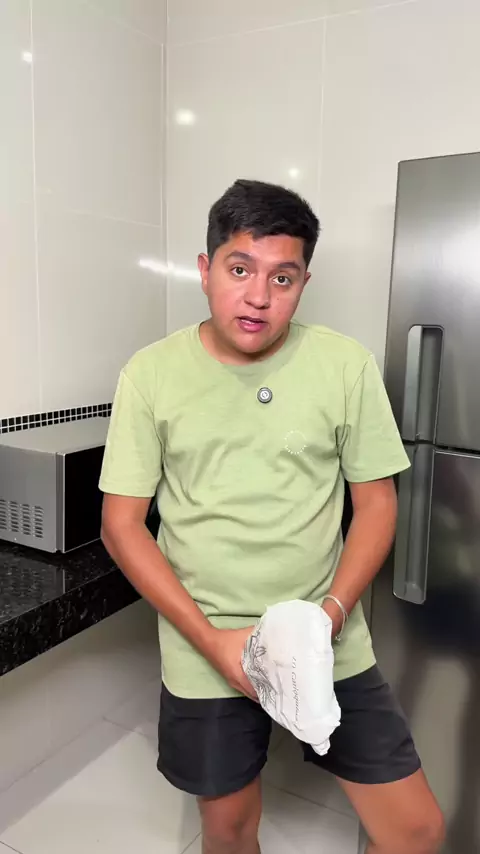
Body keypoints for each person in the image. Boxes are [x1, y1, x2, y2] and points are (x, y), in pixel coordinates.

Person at [99, 179, 445, 854]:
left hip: (328, 637)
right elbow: (122, 525)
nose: (259, 296)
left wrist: (329, 618)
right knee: (230, 831)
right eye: (240, 270)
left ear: (304, 282)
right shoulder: (150, 374)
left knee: (417, 831)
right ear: (205, 271)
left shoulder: (344, 365)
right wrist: (213, 643)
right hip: (206, 643)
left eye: (282, 278)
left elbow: (377, 503)